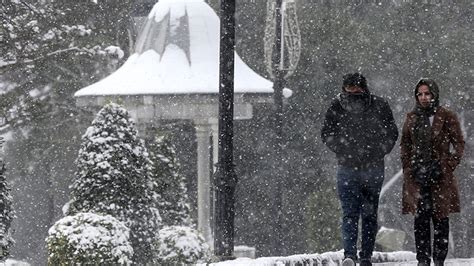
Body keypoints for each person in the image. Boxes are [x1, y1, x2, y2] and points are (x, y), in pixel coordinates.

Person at [321, 73, 398, 266]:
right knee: (354, 213)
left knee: (364, 214)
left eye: (355, 87)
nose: (353, 91)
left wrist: (378, 151)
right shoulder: (338, 106)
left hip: (368, 167)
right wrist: (344, 149)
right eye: (349, 87)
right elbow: (327, 133)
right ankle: (352, 255)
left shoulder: (378, 106)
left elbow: (391, 133)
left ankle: (363, 255)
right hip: (350, 167)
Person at [400, 78, 464, 266]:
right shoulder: (411, 117)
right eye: (420, 94)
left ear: (434, 94)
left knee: (440, 219)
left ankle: (439, 260)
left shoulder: (446, 115)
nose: (424, 97)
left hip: (440, 176)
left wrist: (448, 164)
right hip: (417, 176)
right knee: (420, 219)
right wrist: (409, 166)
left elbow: (459, 143)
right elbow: (405, 144)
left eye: (427, 93)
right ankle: (423, 259)